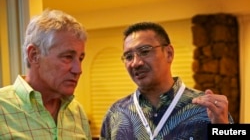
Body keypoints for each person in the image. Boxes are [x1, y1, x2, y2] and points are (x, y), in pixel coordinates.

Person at [100, 22, 234, 140]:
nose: (136, 63)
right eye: (128, 56)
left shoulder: (208, 110)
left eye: (145, 51)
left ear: (169, 53)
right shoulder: (115, 114)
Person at [0, 9, 91, 139]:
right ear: (34, 55)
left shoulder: (77, 112)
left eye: (80, 58)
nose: (78, 69)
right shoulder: (2, 107)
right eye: (67, 57)